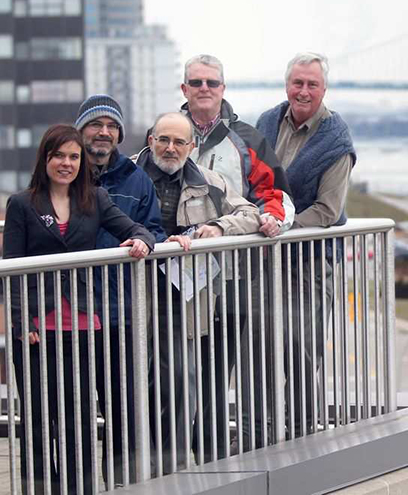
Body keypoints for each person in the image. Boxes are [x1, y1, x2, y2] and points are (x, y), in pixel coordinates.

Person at [3, 124, 154, 495]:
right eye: (59, 156)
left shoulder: (95, 199)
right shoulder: (22, 203)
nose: (66, 163)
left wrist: (141, 242)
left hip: (85, 326)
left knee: (79, 419)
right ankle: (40, 490)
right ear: (45, 158)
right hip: (38, 329)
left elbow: (138, 230)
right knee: (39, 421)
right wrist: (21, 322)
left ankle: (80, 488)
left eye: (73, 156)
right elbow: (11, 266)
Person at [135, 112, 265, 472]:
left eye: (179, 142)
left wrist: (219, 227)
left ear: (192, 147)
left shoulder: (210, 181)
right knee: (132, 388)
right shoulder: (127, 174)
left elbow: (250, 213)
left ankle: (170, 470)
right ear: (151, 140)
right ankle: (132, 471)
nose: (170, 148)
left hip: (182, 300)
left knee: (181, 380)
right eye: (163, 139)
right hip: (128, 297)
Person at [179, 54, 294, 459]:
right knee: (176, 373)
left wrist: (271, 220)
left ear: (223, 89)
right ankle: (174, 456)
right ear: (184, 90)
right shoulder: (165, 135)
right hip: (176, 279)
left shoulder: (246, 139)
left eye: (212, 82)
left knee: (213, 376)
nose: (204, 89)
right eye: (196, 83)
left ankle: (208, 459)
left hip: (233, 278)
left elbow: (275, 195)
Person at [256, 52, 356, 437]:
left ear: (324, 89)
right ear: (287, 85)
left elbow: (328, 210)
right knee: (264, 350)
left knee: (301, 350)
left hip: (309, 261)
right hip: (264, 258)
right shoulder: (266, 122)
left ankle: (301, 432)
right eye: (297, 83)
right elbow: (251, 181)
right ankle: (263, 431)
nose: (303, 91)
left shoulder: (336, 138)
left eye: (312, 84)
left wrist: (282, 226)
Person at [74, 94, 165, 486]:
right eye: (96, 124)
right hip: (72, 312)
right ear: (81, 130)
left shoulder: (136, 178)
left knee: (124, 409)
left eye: (112, 127)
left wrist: (144, 242)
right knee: (73, 410)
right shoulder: (63, 170)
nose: (104, 133)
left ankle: (124, 485)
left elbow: (155, 230)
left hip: (121, 311)